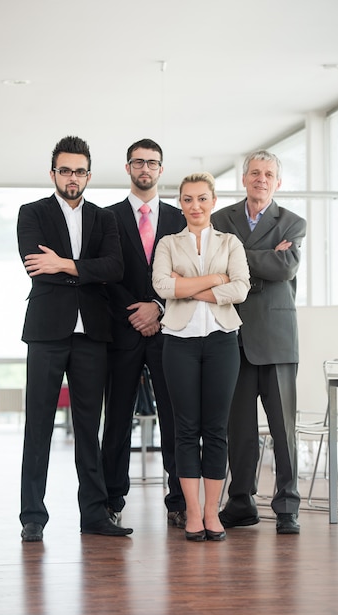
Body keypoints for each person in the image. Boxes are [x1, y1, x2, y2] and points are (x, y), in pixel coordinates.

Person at [17, 135, 133, 540]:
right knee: (39, 425)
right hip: (48, 331)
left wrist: (64, 264)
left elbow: (115, 267)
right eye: (64, 170)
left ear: (88, 175)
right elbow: (36, 265)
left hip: (92, 333)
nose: (72, 177)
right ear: (53, 173)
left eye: (79, 171)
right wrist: (86, 270)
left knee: (89, 426)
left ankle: (95, 514)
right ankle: (32, 515)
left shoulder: (105, 219)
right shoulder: (31, 213)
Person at [211, 150, 307, 535]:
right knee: (240, 428)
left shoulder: (293, 222)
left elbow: (286, 268)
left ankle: (287, 507)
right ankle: (241, 502)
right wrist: (263, 259)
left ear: (277, 182)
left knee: (283, 429)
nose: (261, 179)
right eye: (255, 172)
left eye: (268, 174)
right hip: (233, 334)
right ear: (244, 178)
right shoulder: (221, 219)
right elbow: (218, 267)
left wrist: (239, 261)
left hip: (278, 339)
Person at [152, 172, 250, 541]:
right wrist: (214, 280)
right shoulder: (168, 243)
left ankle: (213, 513)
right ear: (180, 203)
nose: (195, 206)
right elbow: (162, 286)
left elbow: (241, 287)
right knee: (186, 429)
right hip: (179, 341)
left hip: (223, 340)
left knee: (216, 429)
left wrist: (188, 286)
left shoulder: (230, 242)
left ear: (213, 201)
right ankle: (192, 513)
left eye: (202, 198)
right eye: (188, 199)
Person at [102, 138, 187, 527]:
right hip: (122, 331)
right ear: (128, 168)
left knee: (174, 418)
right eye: (138, 162)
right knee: (118, 419)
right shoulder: (107, 217)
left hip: (169, 331)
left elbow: (185, 273)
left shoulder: (178, 218)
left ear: (161, 169)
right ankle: (112, 500)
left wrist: (158, 307)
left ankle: (179, 500)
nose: (145, 169)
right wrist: (135, 311)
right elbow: (103, 274)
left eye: (152, 163)